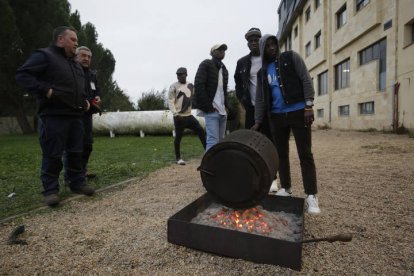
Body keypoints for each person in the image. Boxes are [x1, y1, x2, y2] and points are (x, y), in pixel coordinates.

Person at [15, 26, 95, 207]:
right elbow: (22, 75)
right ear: (61, 39)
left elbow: (79, 88)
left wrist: (85, 101)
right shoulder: (45, 56)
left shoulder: (75, 63)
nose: (76, 43)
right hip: (54, 115)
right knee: (53, 154)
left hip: (75, 116)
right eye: (73, 40)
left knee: (76, 152)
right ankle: (51, 190)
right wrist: (46, 90)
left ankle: (77, 183)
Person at [252, 34, 320, 214]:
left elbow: (306, 78)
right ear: (263, 49)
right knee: (280, 154)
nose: (272, 48)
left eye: (274, 44)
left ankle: (312, 196)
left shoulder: (291, 57)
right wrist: (258, 121)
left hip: (298, 112)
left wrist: (308, 105)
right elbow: (260, 98)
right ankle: (286, 188)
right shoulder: (262, 73)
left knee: (305, 153)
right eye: (268, 46)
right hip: (276, 116)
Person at [234, 27, 278, 193]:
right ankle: (253, 175)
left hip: (271, 109)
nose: (253, 42)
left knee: (271, 142)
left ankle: (274, 178)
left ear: (261, 41)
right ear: (247, 44)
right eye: (250, 40)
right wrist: (242, 100)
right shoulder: (242, 63)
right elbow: (238, 83)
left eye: (256, 40)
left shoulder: (270, 59)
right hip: (252, 109)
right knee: (251, 143)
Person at [194, 44, 229, 151]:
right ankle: (207, 167)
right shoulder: (206, 64)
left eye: (223, 50)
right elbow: (199, 85)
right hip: (212, 110)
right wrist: (208, 107)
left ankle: (217, 166)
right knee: (212, 141)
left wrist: (226, 107)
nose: (222, 51)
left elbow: (223, 91)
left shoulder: (224, 69)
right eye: (219, 49)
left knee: (221, 142)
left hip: (222, 111)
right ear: (212, 52)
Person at [74, 46, 102, 178]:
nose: (86, 59)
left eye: (89, 57)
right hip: (75, 113)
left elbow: (97, 90)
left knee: (88, 144)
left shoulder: (92, 75)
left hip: (88, 115)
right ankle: (74, 175)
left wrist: (97, 97)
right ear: (76, 56)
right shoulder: (72, 71)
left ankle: (83, 170)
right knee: (75, 145)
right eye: (83, 56)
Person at [168, 67, 206, 165]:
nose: (179, 76)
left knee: (201, 131)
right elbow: (170, 101)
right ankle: (178, 158)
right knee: (178, 137)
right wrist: (175, 114)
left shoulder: (190, 85)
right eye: (178, 75)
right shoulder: (173, 86)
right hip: (179, 117)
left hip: (189, 116)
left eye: (181, 74)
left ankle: (208, 151)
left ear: (186, 74)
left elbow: (194, 98)